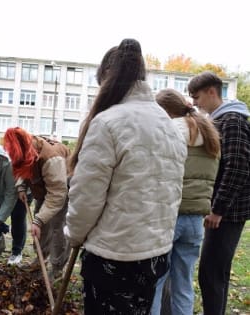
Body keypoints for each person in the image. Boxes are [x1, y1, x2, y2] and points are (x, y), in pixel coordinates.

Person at [64, 39, 187, 314]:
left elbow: (87, 197)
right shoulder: (168, 124)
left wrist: (74, 234)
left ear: (108, 79)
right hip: (155, 254)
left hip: (114, 256)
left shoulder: (108, 122)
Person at [150, 88, 220, 315]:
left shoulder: (168, 133)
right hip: (195, 221)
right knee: (183, 284)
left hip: (169, 217)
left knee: (156, 283)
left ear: (165, 112)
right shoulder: (210, 135)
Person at [188, 71, 250, 315]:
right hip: (225, 211)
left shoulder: (232, 121)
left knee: (211, 273)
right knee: (216, 273)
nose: (194, 102)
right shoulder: (224, 119)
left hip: (228, 213)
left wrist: (218, 209)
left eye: (196, 96)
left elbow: (237, 167)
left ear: (211, 92)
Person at [3, 127, 71, 280]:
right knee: (40, 227)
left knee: (56, 228)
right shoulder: (26, 148)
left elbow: (57, 194)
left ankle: (57, 267)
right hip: (42, 187)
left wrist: (39, 220)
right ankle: (40, 260)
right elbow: (22, 166)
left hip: (60, 191)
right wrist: (21, 185)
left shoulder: (52, 160)